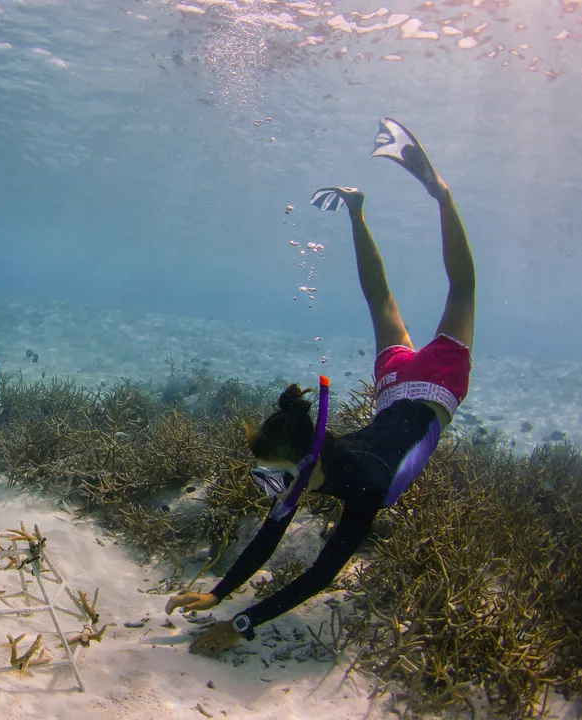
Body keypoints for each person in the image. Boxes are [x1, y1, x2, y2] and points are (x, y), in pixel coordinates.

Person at [166, 118, 476, 655]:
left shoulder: (368, 489)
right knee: (383, 304)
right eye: (267, 477)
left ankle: (435, 194)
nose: (270, 488)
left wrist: (240, 625)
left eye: (273, 477)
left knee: (461, 290)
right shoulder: (302, 470)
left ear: (306, 463)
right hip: (395, 390)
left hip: (432, 391)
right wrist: (218, 594)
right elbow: (269, 536)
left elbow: (321, 575)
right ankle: (360, 211)